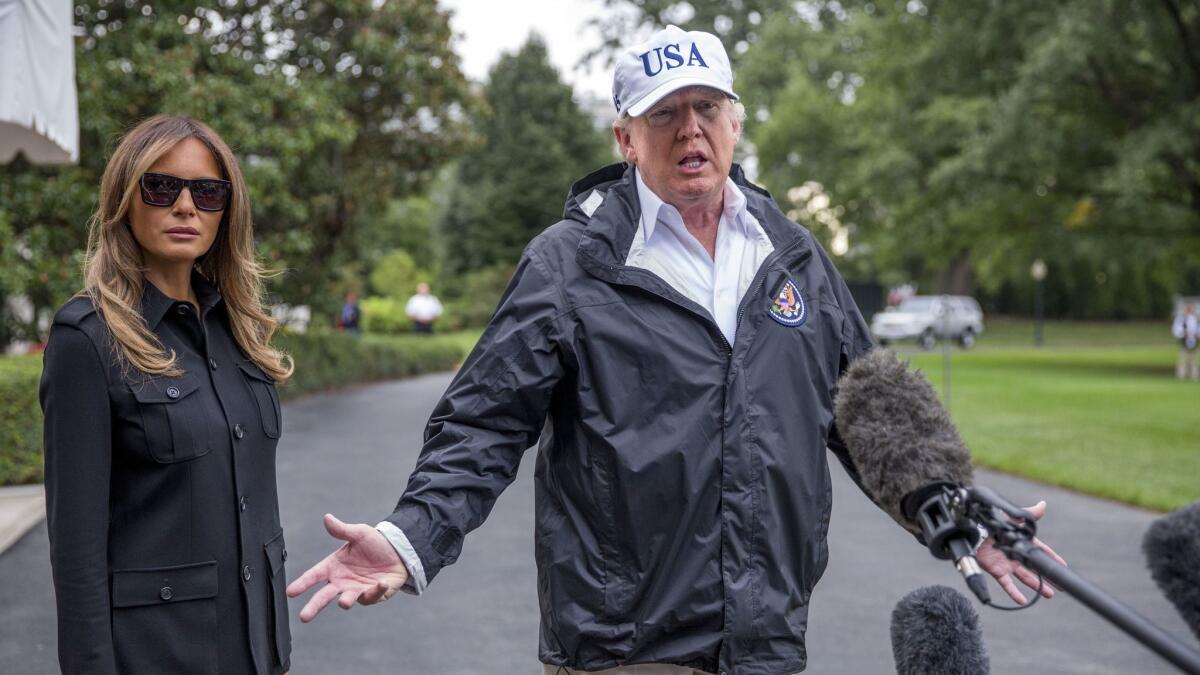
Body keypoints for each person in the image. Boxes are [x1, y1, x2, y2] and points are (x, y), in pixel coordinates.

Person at [287, 26, 1064, 675]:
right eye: (664, 114)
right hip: (626, 648)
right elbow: (482, 425)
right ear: (625, 137)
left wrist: (963, 515)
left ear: (735, 125)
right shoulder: (571, 262)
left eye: (706, 108)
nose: (689, 129)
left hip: (767, 642)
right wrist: (411, 534)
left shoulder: (793, 257)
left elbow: (871, 410)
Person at [40, 115, 294, 674]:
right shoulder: (87, 339)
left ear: (227, 210)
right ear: (126, 199)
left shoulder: (240, 333)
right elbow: (77, 553)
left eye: (207, 192)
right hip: (157, 655)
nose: (186, 207)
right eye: (161, 187)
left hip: (256, 651)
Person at [1173, 304, 1199, 380]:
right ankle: (1181, 375)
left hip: (1194, 342)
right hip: (1183, 342)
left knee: (1194, 360)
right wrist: (1184, 333)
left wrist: (1195, 334)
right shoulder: (1181, 319)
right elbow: (1176, 330)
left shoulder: (1196, 319)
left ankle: (1194, 375)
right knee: (1182, 359)